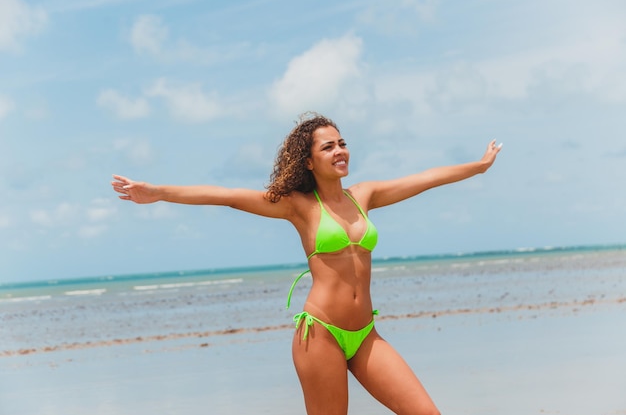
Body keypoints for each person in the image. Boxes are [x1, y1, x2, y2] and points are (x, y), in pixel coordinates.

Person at [112, 113, 502, 415]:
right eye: (328, 147)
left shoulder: (363, 195)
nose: (340, 151)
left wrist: (478, 166)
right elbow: (227, 195)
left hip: (365, 334)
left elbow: (426, 178)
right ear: (310, 161)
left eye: (342, 143)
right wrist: (158, 192)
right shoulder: (298, 206)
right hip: (321, 335)